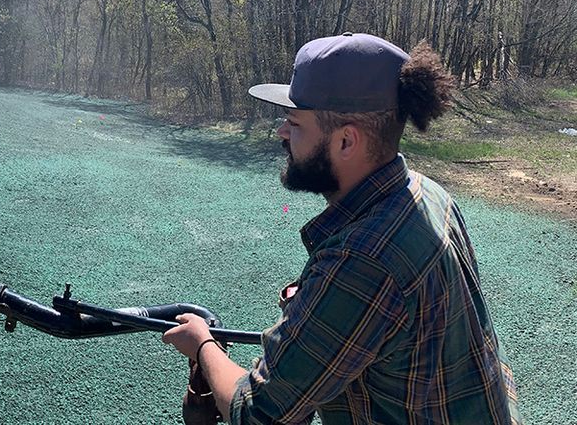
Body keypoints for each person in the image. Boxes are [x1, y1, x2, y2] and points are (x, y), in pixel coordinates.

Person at [161, 33, 522, 423]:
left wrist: (202, 344)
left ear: (346, 140)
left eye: (294, 122)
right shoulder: (428, 193)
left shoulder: (361, 258)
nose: (282, 132)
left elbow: (260, 413)